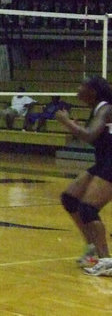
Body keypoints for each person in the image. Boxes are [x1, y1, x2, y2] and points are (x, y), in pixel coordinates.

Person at [54, 76, 112, 276]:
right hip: (105, 161)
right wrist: (75, 128)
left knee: (88, 208)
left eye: (82, 86)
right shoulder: (98, 110)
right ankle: (93, 248)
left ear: (93, 92)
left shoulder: (105, 108)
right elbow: (96, 139)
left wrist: (67, 122)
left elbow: (89, 135)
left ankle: (106, 260)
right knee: (70, 198)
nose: (78, 89)